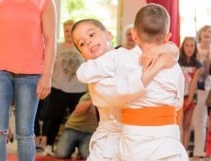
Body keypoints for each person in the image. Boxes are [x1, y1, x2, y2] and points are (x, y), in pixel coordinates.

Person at [73, 3, 188, 161]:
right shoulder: (98, 78)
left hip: (142, 138)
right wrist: (159, 61)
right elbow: (126, 89)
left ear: (109, 35)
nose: (88, 43)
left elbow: (177, 102)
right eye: (81, 44)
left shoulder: (125, 57)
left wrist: (167, 50)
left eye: (91, 35)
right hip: (114, 142)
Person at [0, 0, 57, 161]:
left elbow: (51, 40)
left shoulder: (44, 2)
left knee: (25, 132)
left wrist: (47, 76)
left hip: (31, 73)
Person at [42, 19, 87, 156]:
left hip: (78, 89)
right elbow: (47, 66)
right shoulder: (56, 47)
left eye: (71, 30)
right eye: (66, 30)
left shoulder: (82, 47)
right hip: (58, 88)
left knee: (78, 121)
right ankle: (49, 146)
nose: (68, 33)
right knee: (54, 117)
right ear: (63, 31)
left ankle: (79, 149)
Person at [55, 92, 98, 159]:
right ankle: (72, 147)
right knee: (61, 154)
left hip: (89, 131)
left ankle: (78, 148)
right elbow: (79, 110)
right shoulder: (87, 96)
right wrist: (92, 100)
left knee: (87, 156)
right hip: (74, 127)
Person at [178, 37, 202, 150]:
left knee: (187, 124)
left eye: (192, 45)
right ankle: (176, 150)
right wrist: (181, 98)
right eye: (187, 45)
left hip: (191, 96)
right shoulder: (177, 61)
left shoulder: (198, 64)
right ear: (183, 46)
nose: (189, 48)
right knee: (178, 124)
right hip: (179, 96)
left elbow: (193, 83)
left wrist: (189, 98)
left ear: (195, 47)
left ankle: (184, 150)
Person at [192, 25, 211, 160]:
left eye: (210, 32)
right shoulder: (194, 48)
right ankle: (195, 152)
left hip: (208, 87)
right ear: (200, 34)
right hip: (194, 87)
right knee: (196, 121)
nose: (207, 33)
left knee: (204, 121)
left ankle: (203, 152)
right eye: (205, 30)